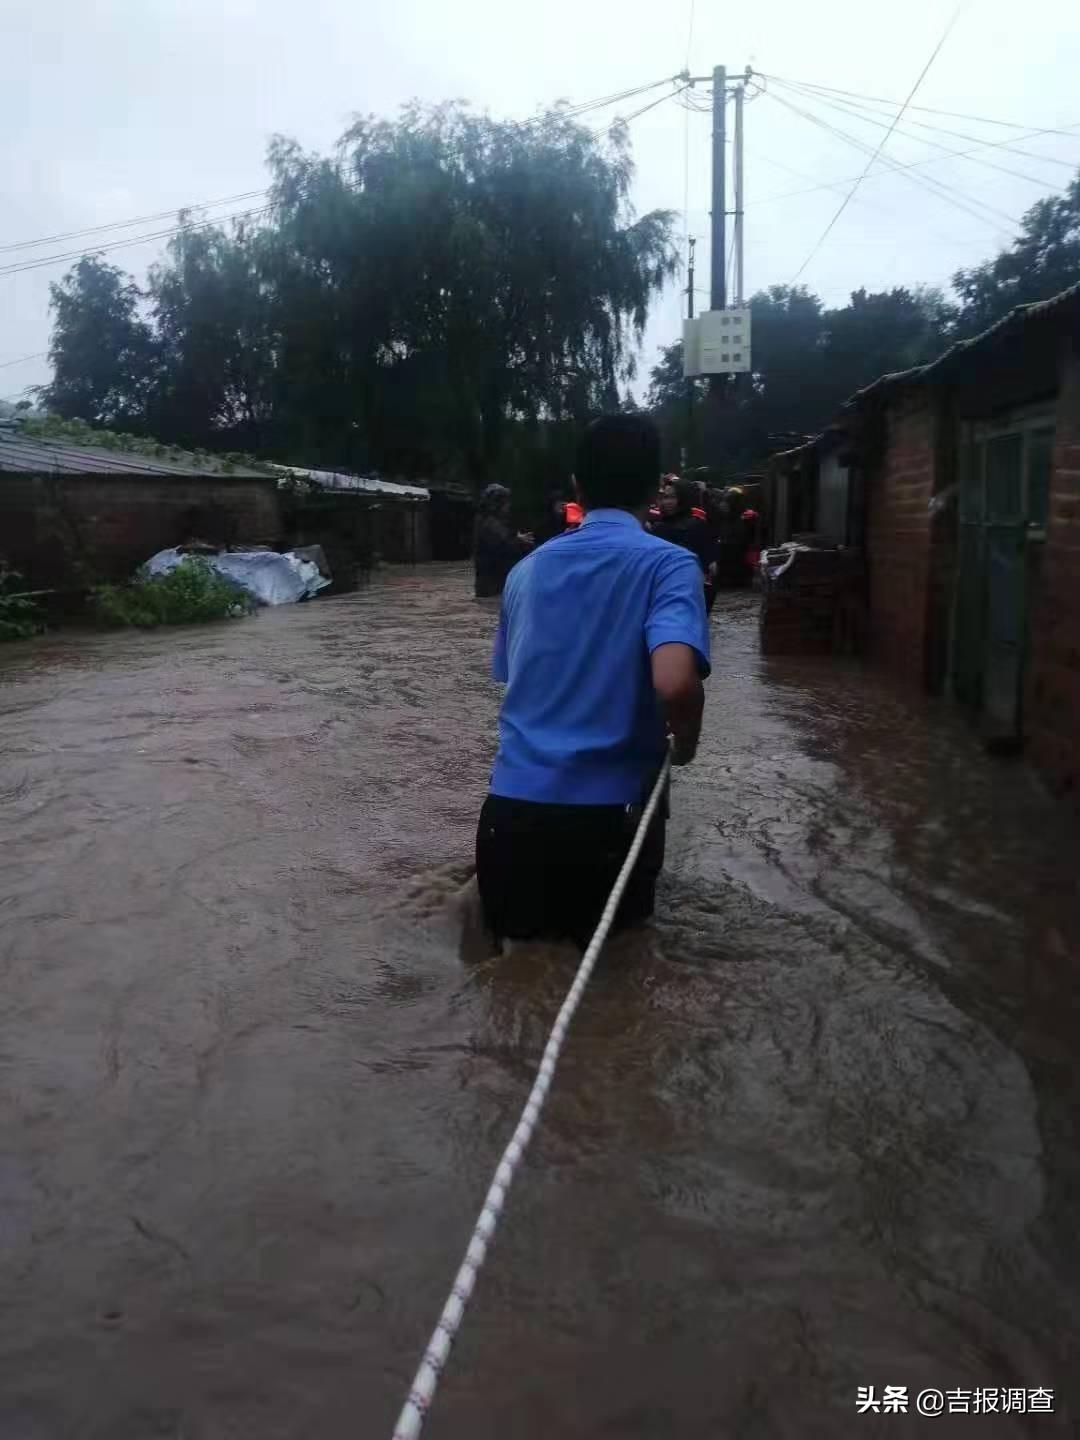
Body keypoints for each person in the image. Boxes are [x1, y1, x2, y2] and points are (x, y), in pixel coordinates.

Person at [475, 415, 709, 951]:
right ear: (655, 490)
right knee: (620, 994)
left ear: (578, 486)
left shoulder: (525, 571)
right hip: (611, 821)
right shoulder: (671, 566)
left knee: (510, 988)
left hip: (509, 816)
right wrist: (688, 746)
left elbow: (512, 678)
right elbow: (674, 683)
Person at [651, 477, 719, 614]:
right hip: (664, 594)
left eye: (673, 497)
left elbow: (710, 570)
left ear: (684, 498)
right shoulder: (658, 528)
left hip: (691, 594)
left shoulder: (697, 525)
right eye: (664, 497)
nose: (667, 502)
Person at [473, 484, 533, 598]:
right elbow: (502, 549)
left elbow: (503, 542)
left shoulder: (487, 521)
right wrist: (519, 541)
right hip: (492, 587)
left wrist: (517, 539)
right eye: (506, 503)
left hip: (489, 586)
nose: (508, 506)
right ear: (497, 504)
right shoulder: (490, 523)